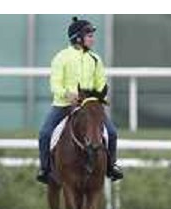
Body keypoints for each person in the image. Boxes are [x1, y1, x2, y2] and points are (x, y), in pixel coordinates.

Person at [36, 17, 123, 184]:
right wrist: (67, 94)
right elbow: (55, 84)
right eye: (89, 35)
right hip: (64, 105)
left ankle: (112, 167)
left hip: (89, 106)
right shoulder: (61, 58)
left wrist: (100, 95)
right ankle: (45, 169)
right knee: (45, 133)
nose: (93, 39)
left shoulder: (95, 59)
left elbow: (101, 83)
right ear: (78, 38)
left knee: (111, 132)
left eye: (92, 35)